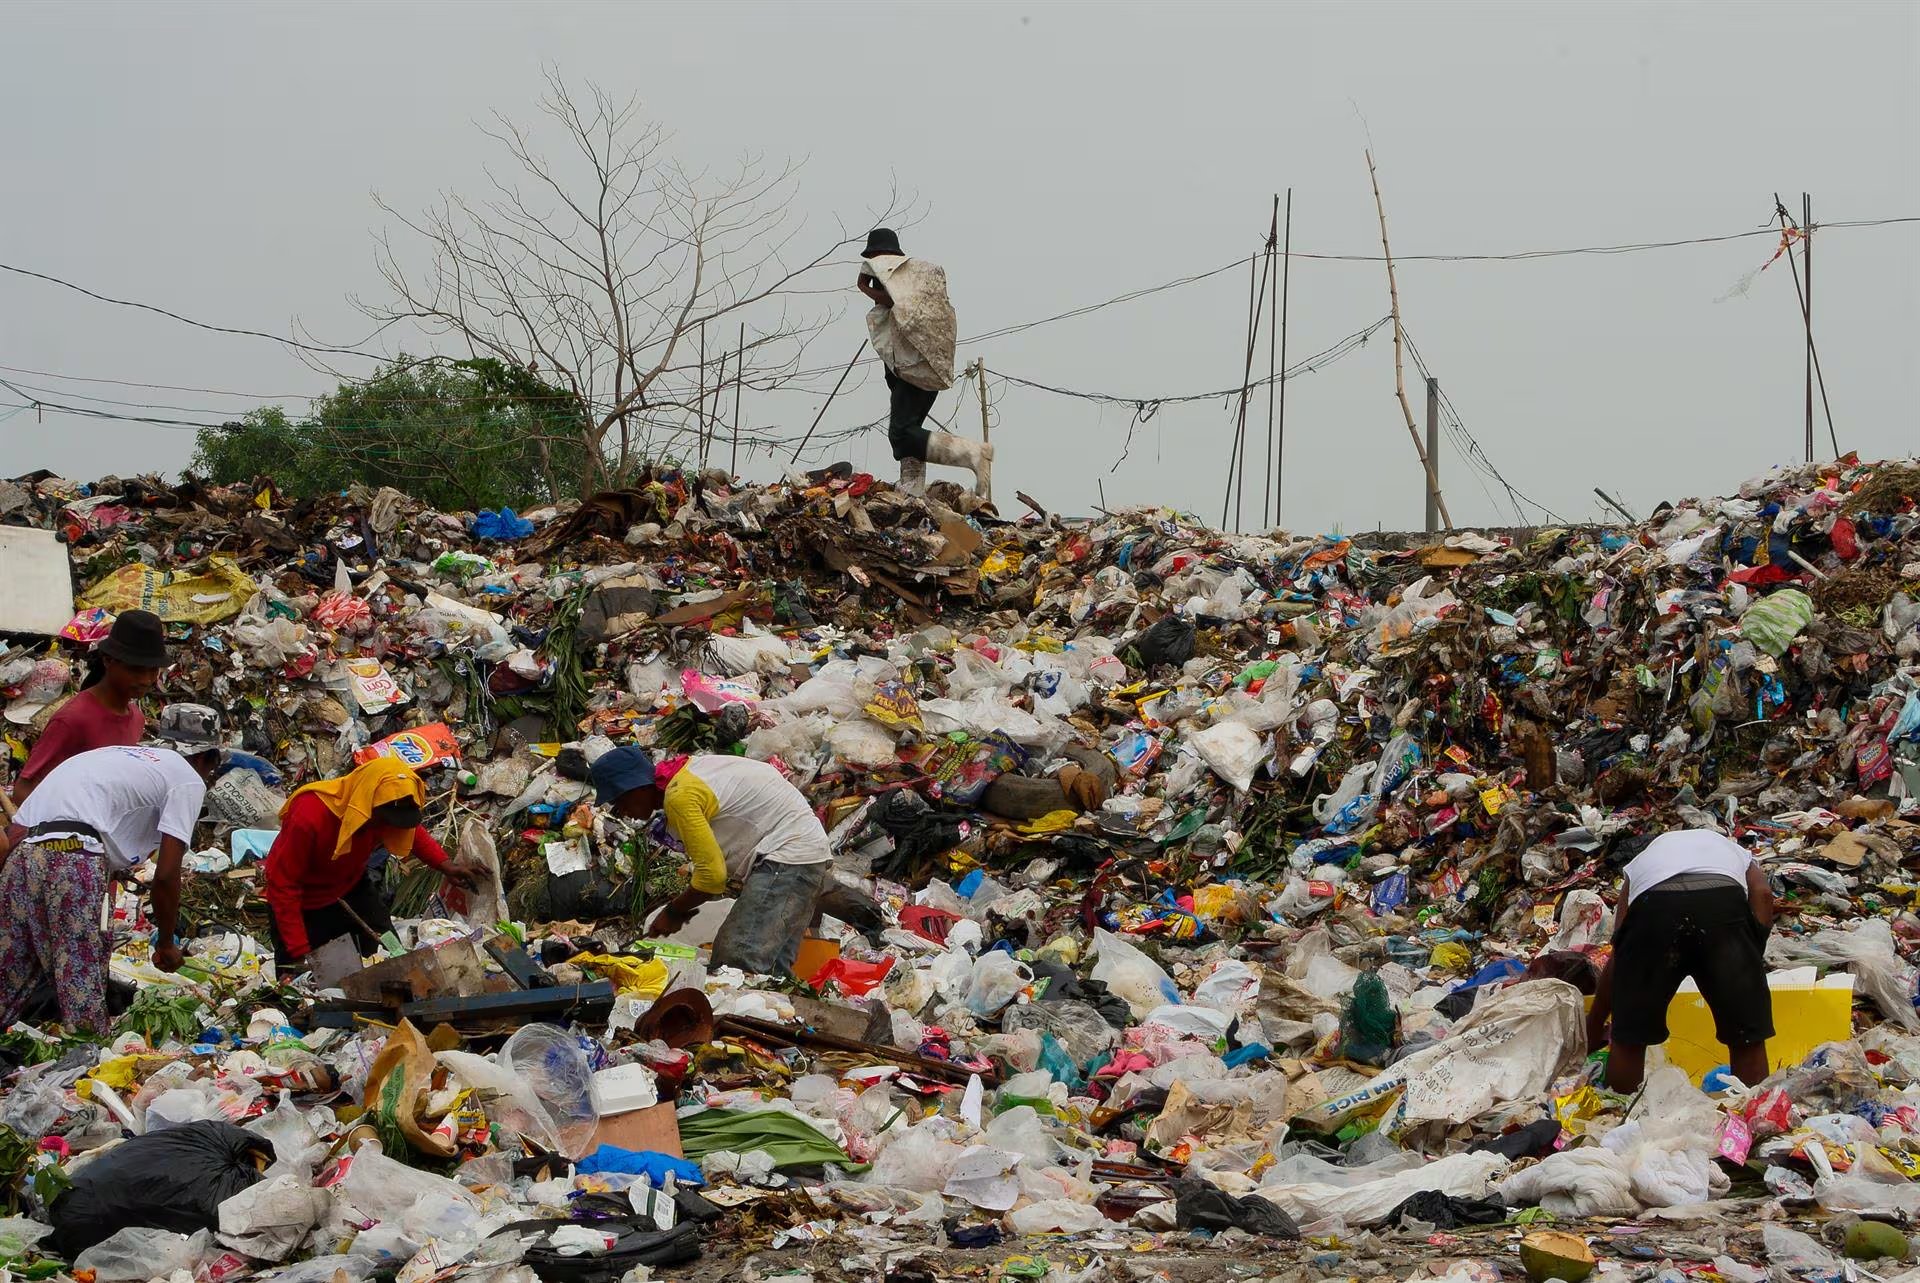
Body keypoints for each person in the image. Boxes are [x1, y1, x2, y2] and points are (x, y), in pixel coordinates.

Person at [0, 704, 225, 1032]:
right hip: (73, 856)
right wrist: (165, 942)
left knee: (9, 969)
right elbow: (166, 875)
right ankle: (90, 1054)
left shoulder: (119, 756)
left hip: (24, 852)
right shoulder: (187, 778)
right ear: (207, 758)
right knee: (81, 975)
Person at [592, 746, 833, 977]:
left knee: (736, 960)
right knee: (771, 970)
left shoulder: (680, 795)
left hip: (789, 856)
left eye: (620, 800)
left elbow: (712, 878)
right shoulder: (690, 773)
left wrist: (674, 910)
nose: (622, 811)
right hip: (805, 855)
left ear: (636, 787)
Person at [1586, 827, 1776, 1091]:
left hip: (1653, 908)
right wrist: (1749, 953)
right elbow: (1764, 894)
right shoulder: (1737, 853)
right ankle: (1753, 1110)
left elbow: (1622, 952)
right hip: (1722, 907)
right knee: (1747, 1036)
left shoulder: (1640, 863)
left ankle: (1618, 1107)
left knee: (1630, 1038)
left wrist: (1595, 1023)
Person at [263, 757, 474, 969]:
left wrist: (445, 865)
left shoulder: (383, 815)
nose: (387, 829)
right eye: (385, 821)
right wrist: (299, 950)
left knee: (392, 956)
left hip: (351, 887)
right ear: (365, 805)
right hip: (302, 904)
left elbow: (411, 832)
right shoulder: (310, 814)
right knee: (305, 978)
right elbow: (283, 884)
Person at [857, 228, 991, 499]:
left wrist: (864, 285)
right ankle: (913, 490)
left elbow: (893, 300)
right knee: (909, 434)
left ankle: (973, 454)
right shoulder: (907, 287)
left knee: (900, 434)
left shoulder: (899, 286)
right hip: (922, 367)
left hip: (913, 370)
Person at [8, 610, 168, 814]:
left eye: (153, 670)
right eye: (136, 669)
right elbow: (23, 791)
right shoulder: (73, 719)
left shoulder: (136, 718)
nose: (146, 680)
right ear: (108, 661)